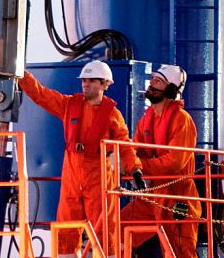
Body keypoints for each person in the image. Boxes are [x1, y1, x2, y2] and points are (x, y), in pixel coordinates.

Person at [18, 60, 144, 258]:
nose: (85, 84)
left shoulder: (112, 114)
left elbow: (125, 145)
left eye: (92, 81)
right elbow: (41, 95)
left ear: (105, 84)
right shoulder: (69, 105)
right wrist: (21, 74)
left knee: (104, 228)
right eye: (84, 80)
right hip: (72, 175)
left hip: (99, 177)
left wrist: (135, 170)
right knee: (66, 227)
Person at [122, 65, 200, 258]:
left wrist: (140, 167)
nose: (151, 84)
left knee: (180, 251)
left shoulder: (182, 120)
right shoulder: (146, 120)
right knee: (115, 228)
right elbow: (134, 151)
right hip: (151, 196)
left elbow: (174, 162)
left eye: (158, 81)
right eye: (153, 79)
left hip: (177, 196)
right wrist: (127, 163)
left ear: (171, 90)